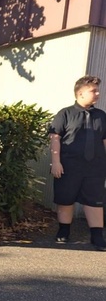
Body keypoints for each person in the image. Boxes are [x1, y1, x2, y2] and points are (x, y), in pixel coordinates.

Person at [48, 75, 106, 251]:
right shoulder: (65, 114)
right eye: (93, 91)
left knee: (95, 202)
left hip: (95, 167)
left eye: (97, 90)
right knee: (66, 200)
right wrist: (56, 162)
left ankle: (97, 236)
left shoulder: (101, 116)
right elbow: (55, 138)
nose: (97, 94)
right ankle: (63, 231)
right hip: (69, 166)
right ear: (80, 93)